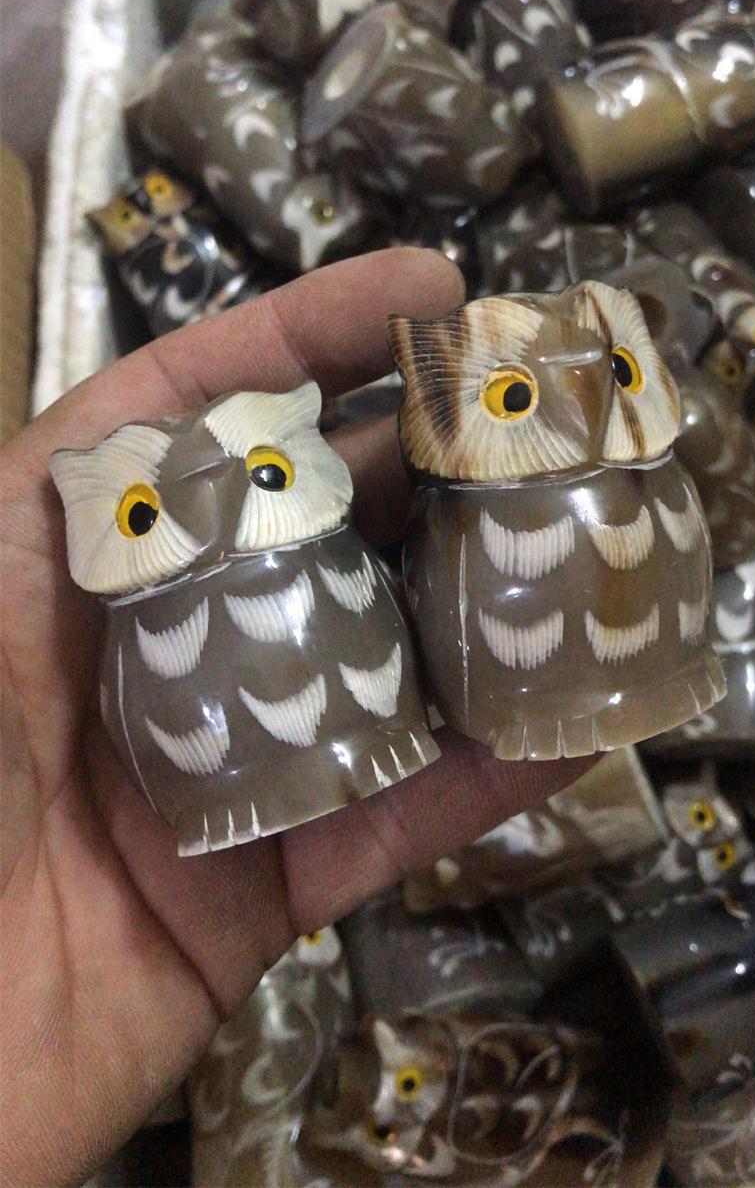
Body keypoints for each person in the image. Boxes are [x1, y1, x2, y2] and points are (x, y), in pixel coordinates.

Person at [0, 250, 591, 1187]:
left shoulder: (337, 557)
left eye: (266, 470)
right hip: (198, 822)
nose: (216, 526)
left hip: (374, 744)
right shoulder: (128, 634)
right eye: (143, 512)